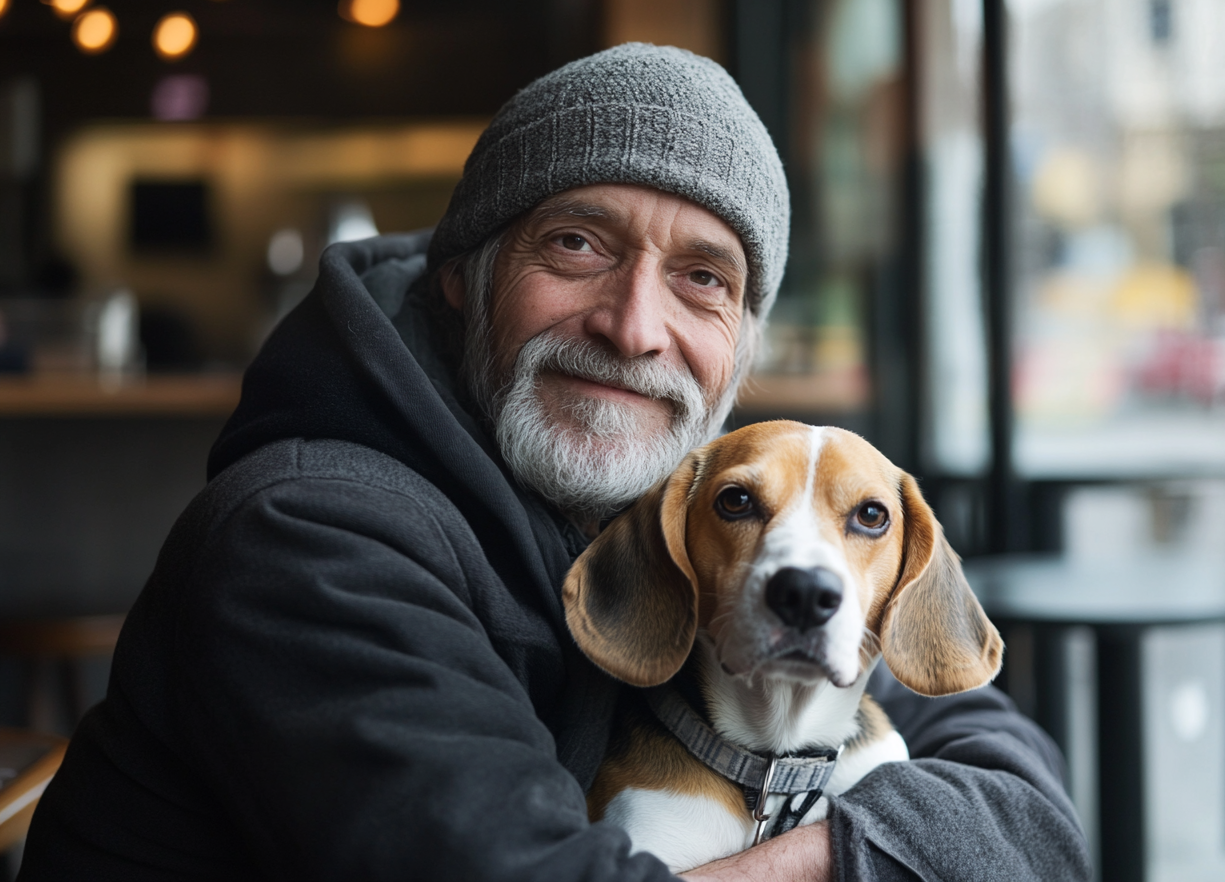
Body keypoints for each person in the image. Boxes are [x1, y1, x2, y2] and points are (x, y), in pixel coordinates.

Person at [19, 44, 1089, 881]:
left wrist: (834, 839)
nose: (634, 327)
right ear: (464, 278)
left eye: (704, 279)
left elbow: (1032, 817)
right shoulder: (307, 538)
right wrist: (867, 851)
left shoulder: (700, 525)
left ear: (740, 350)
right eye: (578, 244)